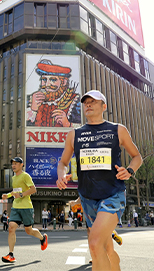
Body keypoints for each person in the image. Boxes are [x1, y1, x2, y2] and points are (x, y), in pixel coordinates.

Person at [56, 90, 142, 271]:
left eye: (93, 101)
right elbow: (63, 162)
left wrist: (129, 170)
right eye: (86, 102)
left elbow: (137, 157)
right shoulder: (74, 134)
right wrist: (61, 174)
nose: (88, 104)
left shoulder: (118, 130)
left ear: (104, 106)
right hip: (87, 198)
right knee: (106, 248)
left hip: (113, 194)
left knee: (94, 243)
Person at [1, 157, 48, 263]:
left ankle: (42, 238)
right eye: (12, 164)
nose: (13, 165)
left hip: (26, 207)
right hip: (15, 207)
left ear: (21, 165)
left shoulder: (25, 176)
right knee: (11, 228)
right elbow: (15, 192)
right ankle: (11, 254)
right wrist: (7, 196)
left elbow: (33, 189)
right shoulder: (13, 178)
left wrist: (21, 194)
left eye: (16, 163)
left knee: (29, 230)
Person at [26, 59, 81, 127]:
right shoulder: (31, 100)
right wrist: (33, 110)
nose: (47, 84)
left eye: (53, 80)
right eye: (44, 79)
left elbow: (85, 128)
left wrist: (68, 124)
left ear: (63, 82)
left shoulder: (76, 101)